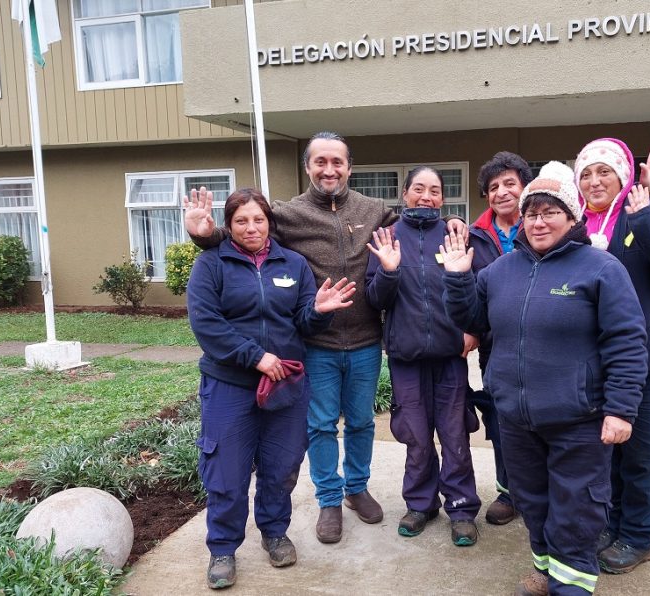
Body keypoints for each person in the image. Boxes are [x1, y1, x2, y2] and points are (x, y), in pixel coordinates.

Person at [185, 131, 467, 545]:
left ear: (349, 167)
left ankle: (356, 488)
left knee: (360, 423)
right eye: (321, 162)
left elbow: (416, 221)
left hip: (367, 340)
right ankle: (329, 500)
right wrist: (204, 236)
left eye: (337, 162)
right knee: (319, 426)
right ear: (308, 168)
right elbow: (247, 232)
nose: (329, 169)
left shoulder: (374, 211)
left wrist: (452, 221)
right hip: (315, 342)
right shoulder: (287, 213)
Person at [442, 162, 649, 595]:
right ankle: (546, 568)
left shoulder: (601, 268)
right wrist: (459, 278)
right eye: (531, 212)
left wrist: (621, 409)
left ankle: (571, 584)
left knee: (577, 507)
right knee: (532, 499)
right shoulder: (501, 271)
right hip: (516, 417)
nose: (538, 221)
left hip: (579, 419)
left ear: (572, 217)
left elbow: (627, 342)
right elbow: (473, 319)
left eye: (550, 211)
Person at [187, 188, 356, 589]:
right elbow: (207, 325)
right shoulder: (211, 265)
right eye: (241, 220)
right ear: (228, 226)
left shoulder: (292, 263)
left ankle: (275, 533)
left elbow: (301, 320)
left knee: (281, 468)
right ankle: (223, 549)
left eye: (258, 219)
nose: (251, 228)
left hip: (285, 386)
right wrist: (255, 357)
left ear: (269, 223)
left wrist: (317, 311)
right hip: (230, 386)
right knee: (226, 473)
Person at [572, 139, 650, 574]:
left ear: (624, 176)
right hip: (604, 367)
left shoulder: (648, 211)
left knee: (649, 451)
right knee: (612, 454)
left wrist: (645, 217)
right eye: (586, 173)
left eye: (604, 171)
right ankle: (614, 525)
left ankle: (639, 537)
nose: (594, 181)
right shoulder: (575, 226)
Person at [366, 166, 481, 546]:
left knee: (454, 433)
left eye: (434, 190)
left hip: (450, 355)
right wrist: (388, 271)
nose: (426, 196)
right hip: (406, 356)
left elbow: (475, 288)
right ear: (405, 193)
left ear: (443, 199)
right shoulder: (386, 237)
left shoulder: (455, 234)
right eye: (419, 188)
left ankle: (461, 508)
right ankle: (421, 503)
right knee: (416, 436)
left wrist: (472, 328)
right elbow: (374, 299)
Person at [467, 151, 534, 525]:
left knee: (540, 418)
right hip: (496, 346)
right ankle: (508, 492)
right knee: (501, 418)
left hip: (544, 345)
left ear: (525, 188)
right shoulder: (474, 236)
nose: (502, 192)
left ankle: (540, 492)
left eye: (510, 183)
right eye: (494, 187)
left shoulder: (542, 223)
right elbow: (467, 292)